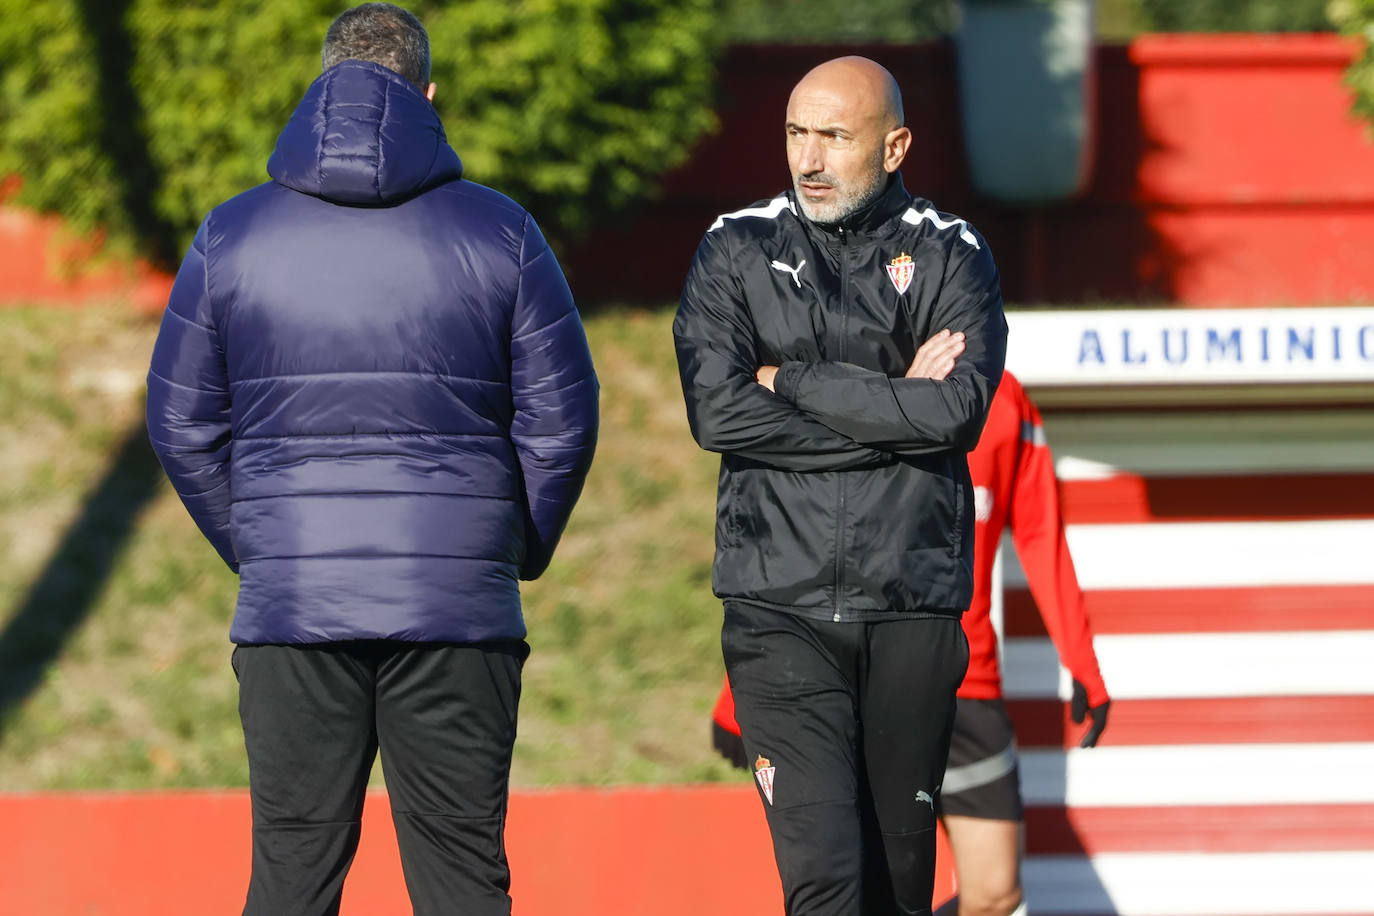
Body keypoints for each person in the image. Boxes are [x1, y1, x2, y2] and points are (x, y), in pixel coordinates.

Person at [144, 5, 598, 914]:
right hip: (457, 610)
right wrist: (509, 548)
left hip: (296, 606)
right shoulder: (503, 231)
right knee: (464, 878)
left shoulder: (231, 235)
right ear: (429, 96)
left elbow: (182, 421)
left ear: (318, 87)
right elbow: (563, 420)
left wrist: (267, 546)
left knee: (292, 877)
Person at [673, 56, 1007, 916]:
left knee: (896, 888)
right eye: (795, 134)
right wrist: (897, 418)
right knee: (825, 881)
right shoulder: (735, 246)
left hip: (911, 609)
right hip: (777, 610)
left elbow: (960, 414)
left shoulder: (951, 251)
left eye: (834, 136)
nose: (808, 159)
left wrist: (791, 380)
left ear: (895, 146)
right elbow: (719, 417)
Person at [712, 370, 1111, 916]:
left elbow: (1042, 533)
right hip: (861, 673)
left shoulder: (1006, 394)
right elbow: (801, 549)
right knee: (851, 886)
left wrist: (1082, 663)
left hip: (968, 681)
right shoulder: (846, 377)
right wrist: (734, 696)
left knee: (996, 893)